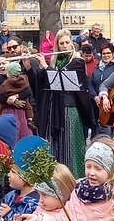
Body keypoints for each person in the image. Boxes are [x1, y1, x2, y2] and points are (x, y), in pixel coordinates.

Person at [26, 29, 97, 178]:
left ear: (72, 43)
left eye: (67, 42)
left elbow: (61, 78)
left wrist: (45, 66)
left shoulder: (77, 62)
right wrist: (28, 66)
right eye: (61, 43)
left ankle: (73, 179)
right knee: (53, 146)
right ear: (57, 45)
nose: (64, 46)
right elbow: (40, 84)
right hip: (52, 110)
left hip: (69, 109)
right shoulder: (54, 61)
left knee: (69, 148)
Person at [0, 61, 35, 138]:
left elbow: (28, 91)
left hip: (20, 109)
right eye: (0, 64)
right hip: (8, 108)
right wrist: (10, 100)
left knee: (21, 131)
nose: (1, 66)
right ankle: (30, 119)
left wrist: (16, 96)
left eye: (4, 63)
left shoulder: (19, 78)